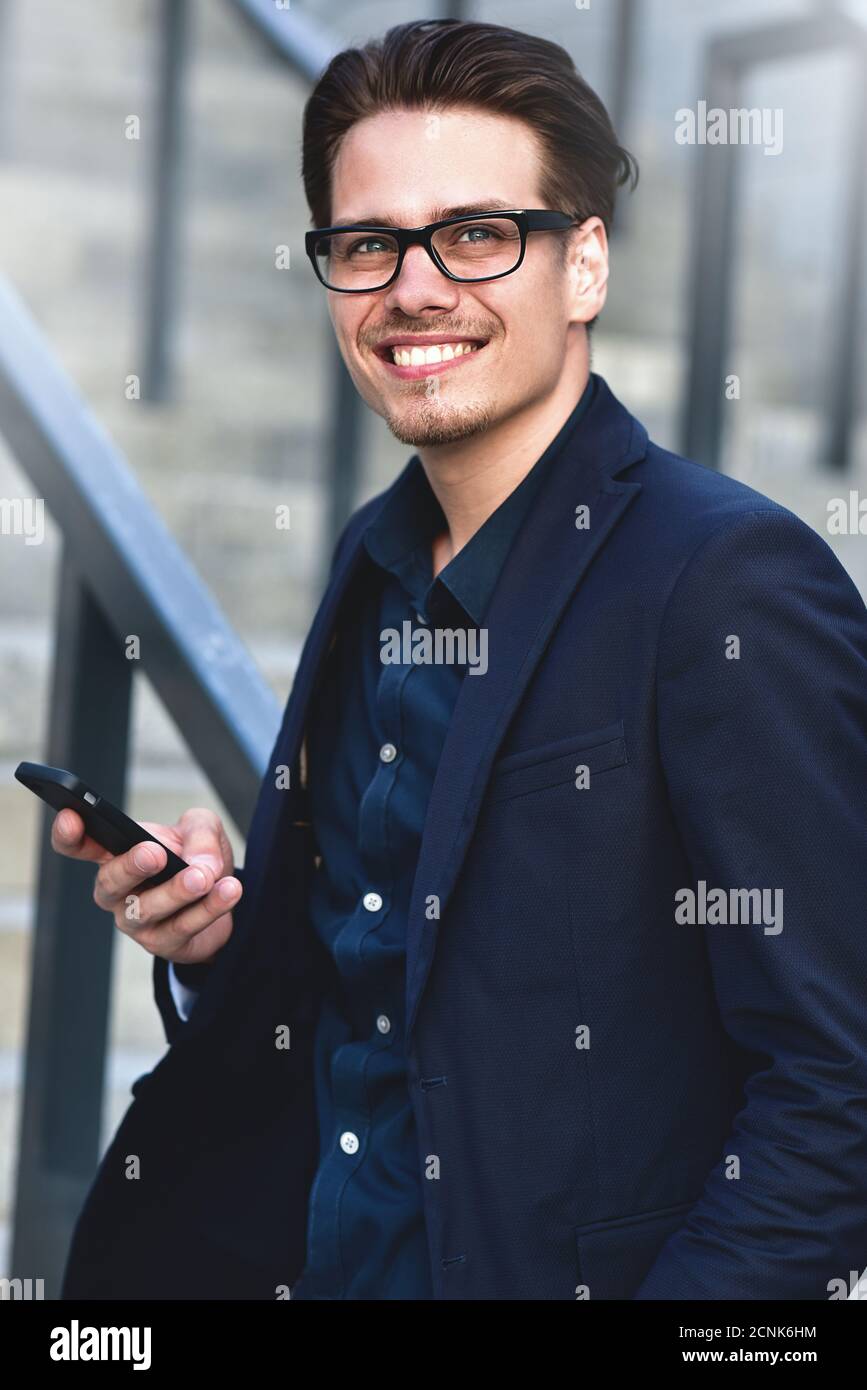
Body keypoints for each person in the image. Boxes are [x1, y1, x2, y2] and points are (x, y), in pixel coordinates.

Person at [56, 19, 867, 1301]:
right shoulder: (372, 565)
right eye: (368, 243)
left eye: (478, 235)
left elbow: (840, 1084)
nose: (414, 288)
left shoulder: (726, 582)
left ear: (585, 263)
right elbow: (390, 987)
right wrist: (220, 944)